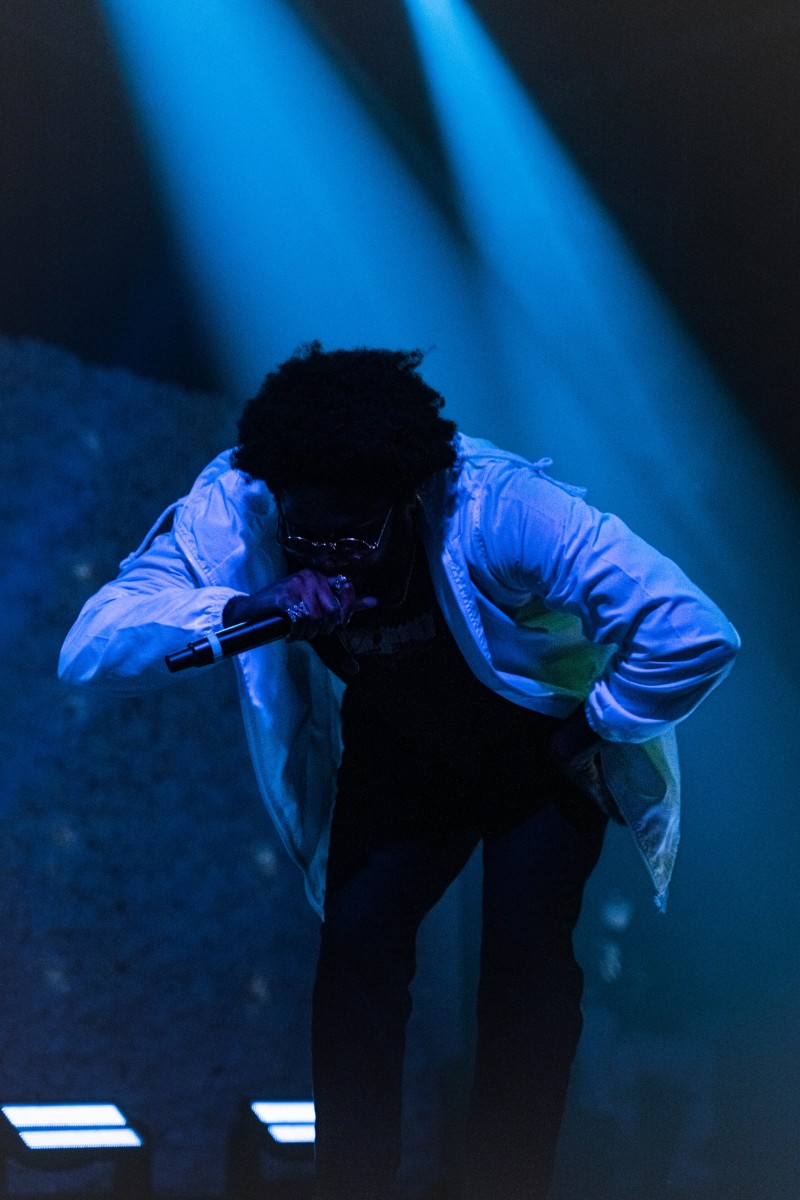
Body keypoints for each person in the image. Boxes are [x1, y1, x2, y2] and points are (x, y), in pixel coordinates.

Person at [59, 343, 739, 1200]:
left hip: (540, 748)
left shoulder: (501, 507)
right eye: (306, 537)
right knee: (356, 947)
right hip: (403, 748)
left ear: (406, 495)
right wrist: (248, 603)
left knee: (524, 959)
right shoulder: (239, 506)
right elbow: (89, 644)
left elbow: (693, 629)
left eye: (352, 535)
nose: (329, 557)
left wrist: (594, 726)